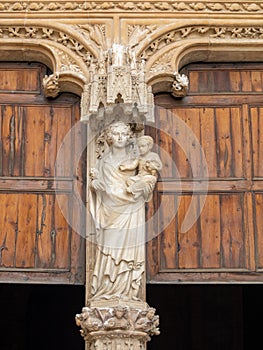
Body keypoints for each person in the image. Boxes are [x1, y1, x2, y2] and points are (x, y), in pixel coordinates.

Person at [89, 121, 155, 301]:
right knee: (110, 247)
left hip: (132, 209)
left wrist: (142, 186)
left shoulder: (137, 160)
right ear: (109, 137)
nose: (119, 138)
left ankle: (127, 291)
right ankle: (108, 289)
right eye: (116, 134)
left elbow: (146, 182)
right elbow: (101, 187)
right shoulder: (103, 161)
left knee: (128, 250)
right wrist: (96, 185)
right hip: (111, 211)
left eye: (123, 134)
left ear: (129, 137)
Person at [119, 135, 162, 201]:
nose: (140, 149)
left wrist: (152, 165)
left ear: (149, 146)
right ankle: (138, 193)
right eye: (139, 147)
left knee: (146, 179)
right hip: (139, 177)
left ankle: (133, 189)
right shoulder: (139, 157)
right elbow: (133, 165)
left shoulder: (153, 156)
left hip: (150, 177)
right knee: (129, 180)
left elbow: (160, 166)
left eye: (143, 146)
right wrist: (125, 167)